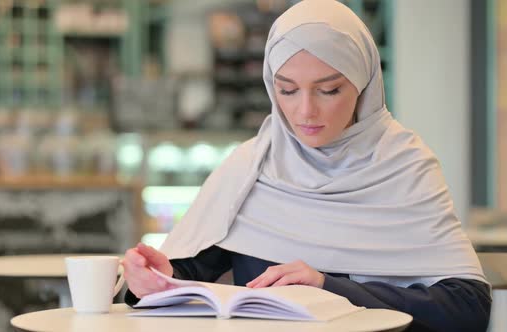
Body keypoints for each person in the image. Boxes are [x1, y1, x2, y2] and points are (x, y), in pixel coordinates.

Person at [121, 1, 491, 331]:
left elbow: (467, 307)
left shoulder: (404, 166)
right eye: (286, 89)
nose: (305, 111)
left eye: (328, 90)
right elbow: (193, 273)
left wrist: (327, 288)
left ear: (364, 86)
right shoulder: (251, 167)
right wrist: (158, 278)